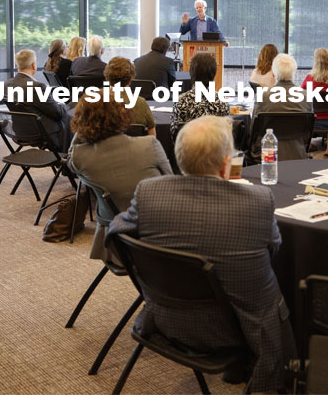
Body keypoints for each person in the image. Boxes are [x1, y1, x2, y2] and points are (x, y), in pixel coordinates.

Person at [106, 115, 295, 392]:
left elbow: (116, 234)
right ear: (225, 162)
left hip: (166, 320)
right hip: (239, 331)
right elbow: (273, 251)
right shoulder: (258, 201)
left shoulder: (149, 192)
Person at [68, 97, 171, 263]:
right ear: (122, 115)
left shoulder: (80, 158)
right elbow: (171, 184)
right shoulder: (149, 145)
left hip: (114, 237)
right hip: (159, 232)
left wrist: (82, 128)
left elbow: (70, 155)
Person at [5, 49, 71, 152]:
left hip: (20, 130)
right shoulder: (37, 87)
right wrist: (63, 104)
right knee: (71, 113)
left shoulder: (7, 84)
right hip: (42, 132)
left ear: (17, 64)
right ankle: (68, 160)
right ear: (33, 65)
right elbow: (57, 113)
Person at [251, 53, 313, 161]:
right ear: (294, 72)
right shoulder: (306, 96)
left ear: (274, 73)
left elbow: (254, 129)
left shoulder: (263, 95)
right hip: (297, 150)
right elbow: (307, 131)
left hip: (267, 152)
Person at [170, 52, 229, 140]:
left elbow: (174, 134)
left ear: (192, 73)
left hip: (188, 151)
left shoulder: (181, 101)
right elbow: (226, 134)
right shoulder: (222, 102)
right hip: (216, 150)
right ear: (213, 74)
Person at [103, 57, 156, 136]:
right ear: (130, 79)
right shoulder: (141, 103)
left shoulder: (96, 102)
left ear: (107, 78)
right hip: (136, 147)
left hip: (105, 148)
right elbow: (152, 135)